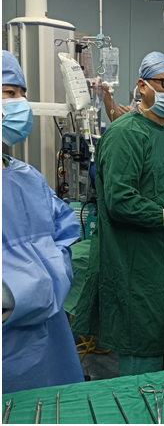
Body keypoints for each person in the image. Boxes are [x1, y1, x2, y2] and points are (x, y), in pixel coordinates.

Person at [72, 52, 164, 376]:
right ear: (142, 86)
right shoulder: (125, 134)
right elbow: (120, 200)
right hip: (135, 270)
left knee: (160, 357)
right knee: (141, 364)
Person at [2, 50, 84, 393]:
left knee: (56, 405)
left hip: (49, 333)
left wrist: (50, 280)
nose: (19, 104)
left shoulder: (27, 177)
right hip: (7, 340)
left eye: (21, 94)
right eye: (8, 93)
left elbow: (63, 234)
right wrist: (12, 296)